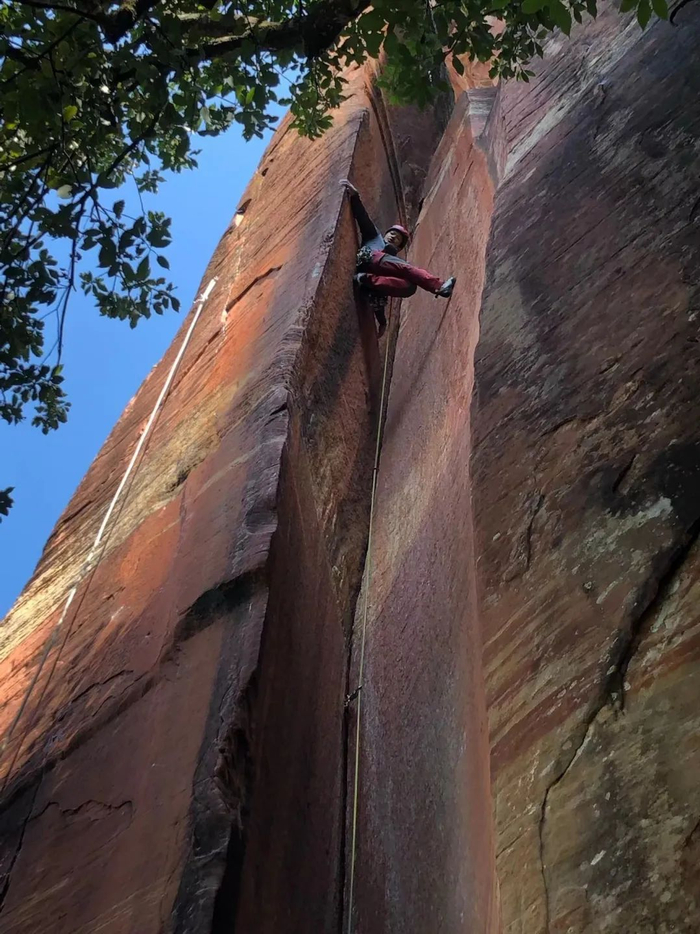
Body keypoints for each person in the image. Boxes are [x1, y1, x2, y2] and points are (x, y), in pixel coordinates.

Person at [340, 179, 456, 335]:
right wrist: (355, 196)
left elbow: (380, 299)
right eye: (392, 234)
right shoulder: (375, 237)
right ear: (386, 233)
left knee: (410, 287)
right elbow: (363, 219)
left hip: (370, 275)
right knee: (407, 268)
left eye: (398, 239)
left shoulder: (392, 265)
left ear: (398, 247)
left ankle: (364, 278)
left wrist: (382, 323)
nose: (394, 237)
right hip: (369, 257)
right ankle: (439, 286)